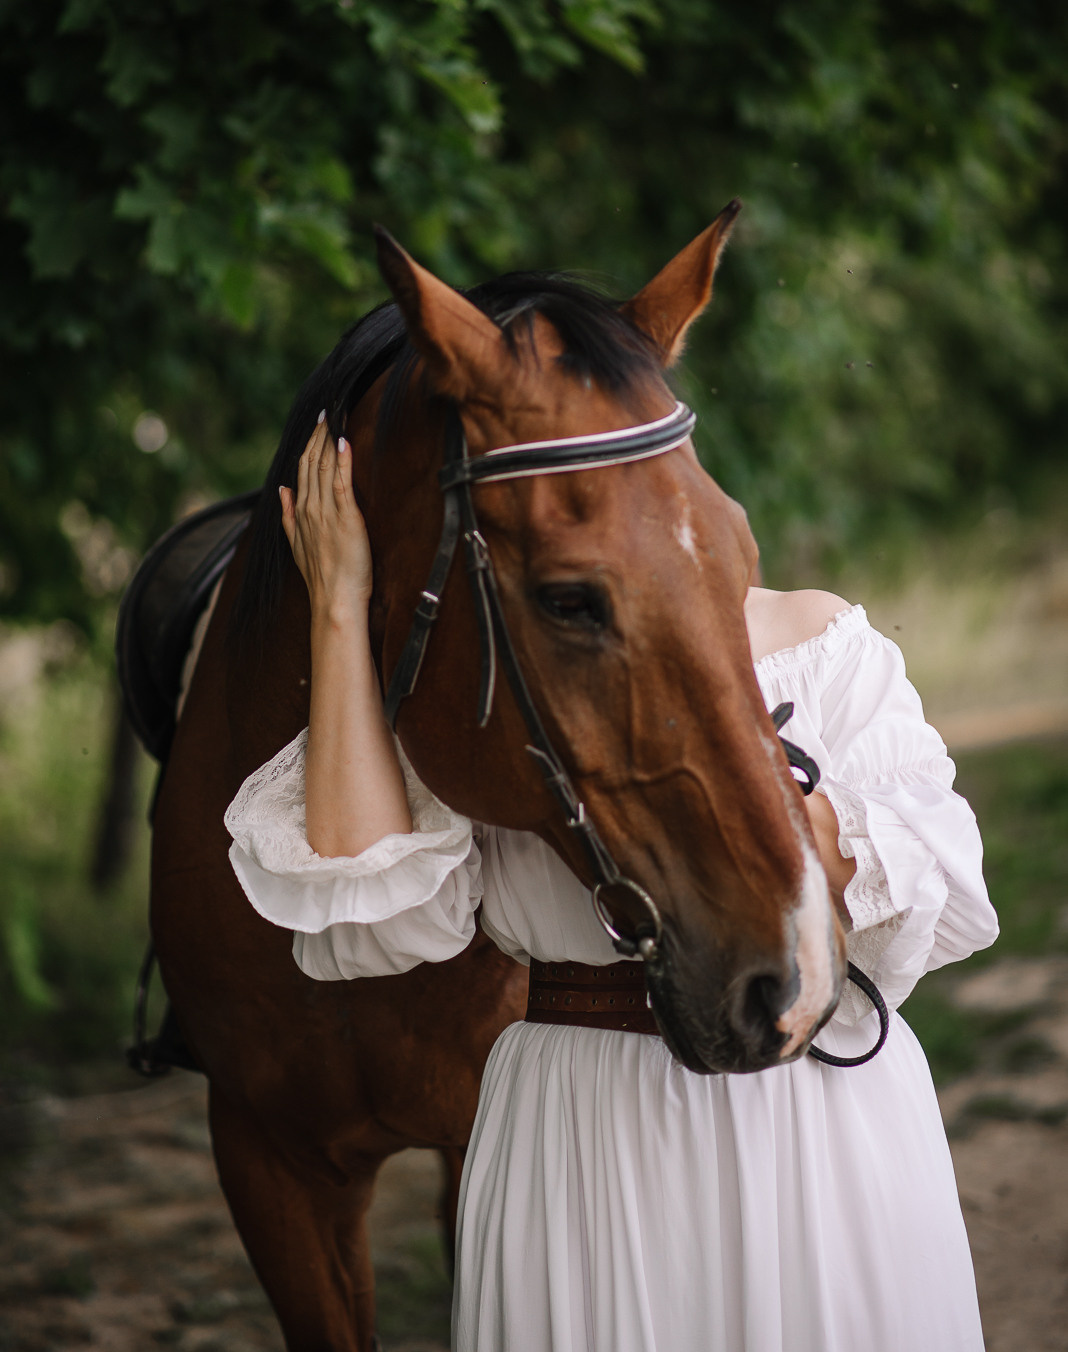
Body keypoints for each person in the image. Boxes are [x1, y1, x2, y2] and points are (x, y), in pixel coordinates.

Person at [224, 412, 999, 1352]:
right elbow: (367, 912)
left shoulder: (821, 638)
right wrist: (340, 606)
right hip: (577, 1126)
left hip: (812, 1115)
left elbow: (944, 881)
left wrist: (759, 787)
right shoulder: (508, 679)